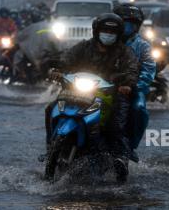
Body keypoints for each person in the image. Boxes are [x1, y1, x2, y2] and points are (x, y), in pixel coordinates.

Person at [46, 13, 138, 181]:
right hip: (78, 90)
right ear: (96, 31)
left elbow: (132, 70)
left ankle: (121, 158)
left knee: (117, 123)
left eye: (112, 31)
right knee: (50, 109)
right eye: (105, 30)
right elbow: (66, 58)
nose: (108, 34)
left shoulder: (124, 52)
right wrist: (58, 70)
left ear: (118, 34)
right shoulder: (84, 47)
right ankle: (49, 147)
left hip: (110, 93)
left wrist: (126, 84)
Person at [113, 3, 156, 159]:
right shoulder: (106, 42)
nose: (127, 27)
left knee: (138, 109)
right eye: (124, 23)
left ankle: (130, 146)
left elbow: (149, 69)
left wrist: (136, 86)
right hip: (104, 87)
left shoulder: (142, 46)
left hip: (132, 89)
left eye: (130, 24)